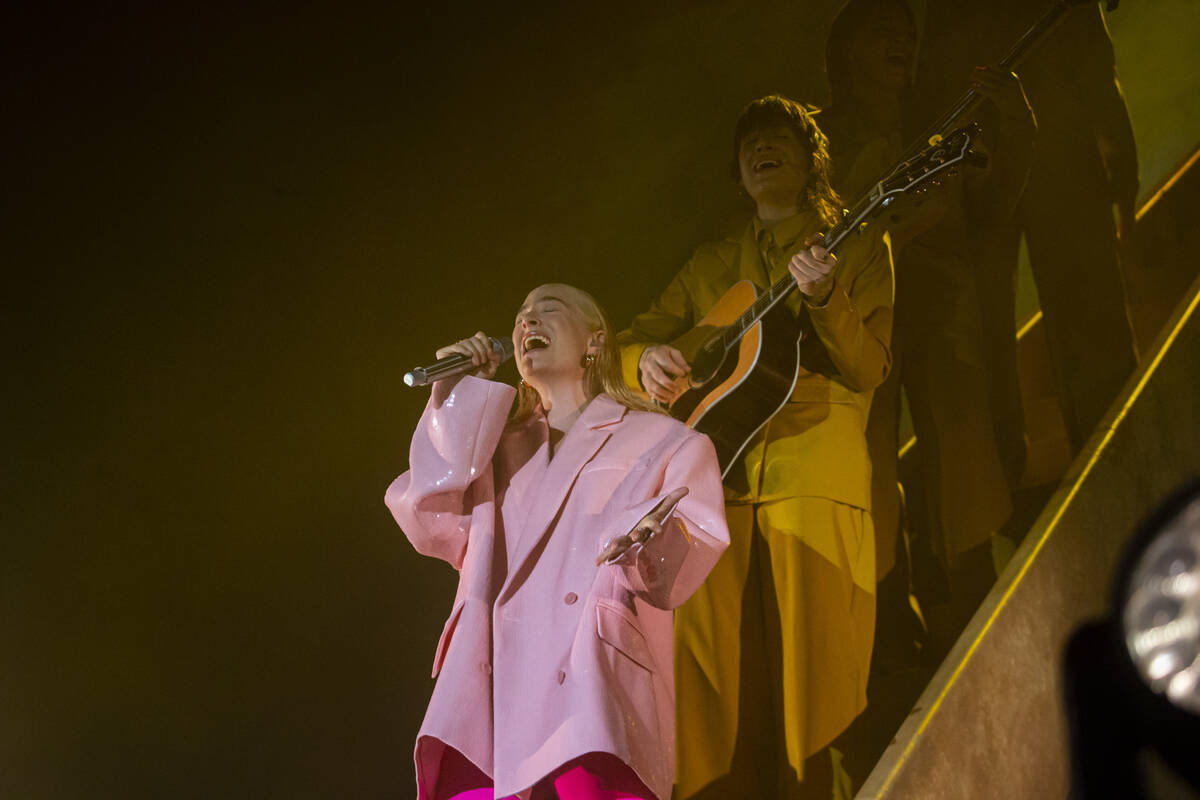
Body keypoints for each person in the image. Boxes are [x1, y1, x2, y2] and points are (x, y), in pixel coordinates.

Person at [619, 95, 894, 798]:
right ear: (737, 175)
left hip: (814, 469)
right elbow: (622, 347)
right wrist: (644, 358)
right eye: (750, 144)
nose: (762, 148)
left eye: (779, 138)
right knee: (707, 688)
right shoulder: (712, 263)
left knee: (818, 691)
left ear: (812, 161)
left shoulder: (858, 241)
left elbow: (870, 369)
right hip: (713, 486)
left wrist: (828, 297)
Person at [386, 283, 730, 800]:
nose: (527, 323)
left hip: (588, 673)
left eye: (547, 309)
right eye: (520, 316)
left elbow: (689, 541)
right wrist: (462, 397)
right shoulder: (492, 443)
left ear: (594, 341)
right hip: (492, 676)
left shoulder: (662, 438)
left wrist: (643, 541)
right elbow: (427, 517)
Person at [820, 0, 1034, 639]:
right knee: (867, 454)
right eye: (882, 32)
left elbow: (995, 203)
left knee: (962, 432)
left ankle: (972, 579)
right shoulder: (819, 136)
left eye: (906, 34)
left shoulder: (943, 121)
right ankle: (887, 607)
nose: (900, 42)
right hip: (862, 310)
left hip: (942, 298)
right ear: (846, 49)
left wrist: (1015, 123)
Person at [916, 0, 1139, 454]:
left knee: (993, 333)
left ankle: (1019, 469)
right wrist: (1123, 170)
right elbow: (1096, 69)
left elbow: (934, 77)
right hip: (1031, 163)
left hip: (1001, 165)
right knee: (1024, 326)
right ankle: (1106, 451)